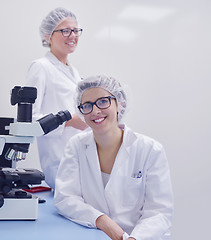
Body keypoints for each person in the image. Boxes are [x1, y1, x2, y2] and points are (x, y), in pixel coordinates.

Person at [54, 75, 173, 240]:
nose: (95, 111)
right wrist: (101, 220)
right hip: (96, 235)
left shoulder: (150, 150)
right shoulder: (76, 146)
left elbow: (159, 212)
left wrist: (133, 239)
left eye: (103, 101)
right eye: (87, 105)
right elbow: (65, 197)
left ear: (120, 104)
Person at [25, 7, 88, 189]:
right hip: (58, 162)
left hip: (78, 156)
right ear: (48, 36)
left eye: (76, 31)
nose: (73, 36)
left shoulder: (73, 71)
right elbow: (29, 120)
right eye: (65, 30)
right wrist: (68, 122)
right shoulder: (40, 67)